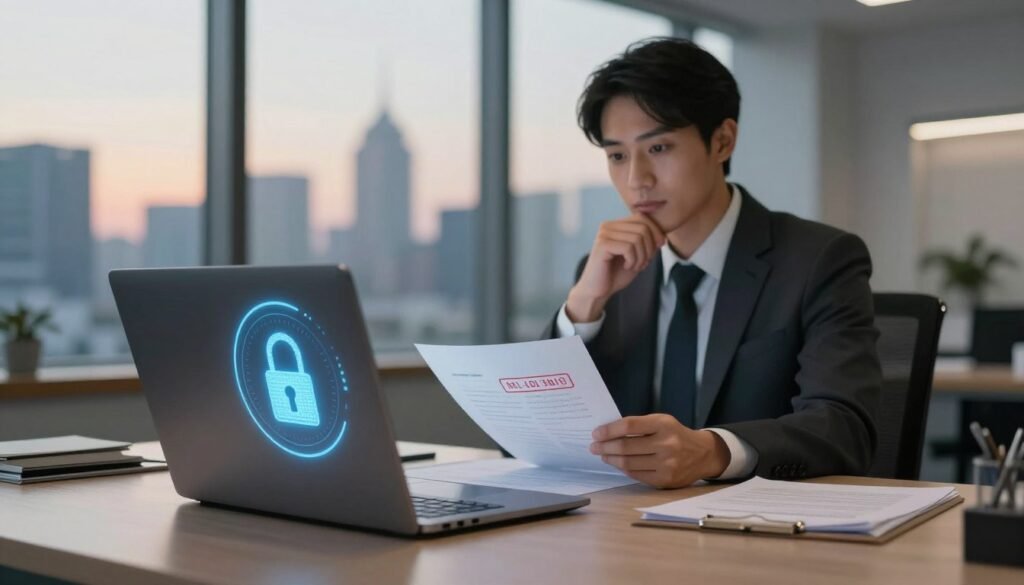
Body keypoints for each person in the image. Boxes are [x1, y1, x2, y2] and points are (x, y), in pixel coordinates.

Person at [544, 37, 881, 489]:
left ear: (722, 141)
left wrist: (712, 451)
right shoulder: (605, 272)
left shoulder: (819, 259)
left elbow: (843, 426)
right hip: (625, 529)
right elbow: (542, 439)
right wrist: (582, 307)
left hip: (760, 534)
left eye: (658, 148)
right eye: (617, 156)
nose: (636, 179)